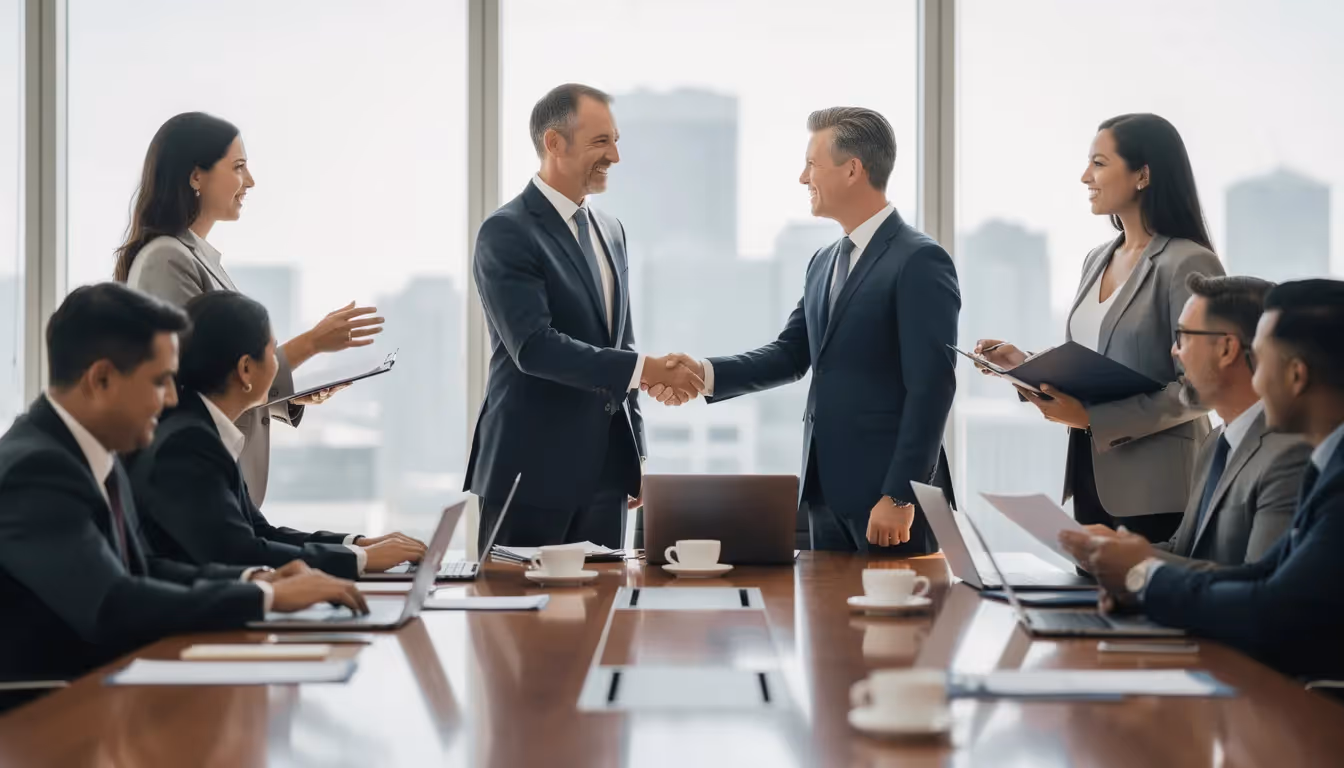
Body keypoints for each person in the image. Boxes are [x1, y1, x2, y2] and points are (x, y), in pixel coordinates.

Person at [0, 284, 367, 708]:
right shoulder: (37, 469)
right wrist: (264, 598)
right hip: (46, 713)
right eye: (160, 382)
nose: (174, 398)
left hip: (103, 690)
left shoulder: (94, 451)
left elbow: (143, 568)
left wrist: (255, 580)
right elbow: (112, 603)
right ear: (101, 379)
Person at [650, 107, 960, 555]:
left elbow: (932, 388)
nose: (802, 178)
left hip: (891, 503)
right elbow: (791, 354)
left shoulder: (919, 260)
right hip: (824, 494)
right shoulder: (824, 261)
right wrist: (702, 373)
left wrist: (899, 495)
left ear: (852, 169)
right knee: (827, 603)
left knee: (899, 605)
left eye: (811, 164)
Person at [1061, 279, 1344, 683]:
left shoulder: (1319, 468)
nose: (1255, 381)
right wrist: (1130, 570)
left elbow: (1272, 609)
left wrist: (1142, 575)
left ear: (1297, 376)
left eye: (1261, 361)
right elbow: (1263, 575)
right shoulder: (1322, 463)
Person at [466, 84, 700, 551]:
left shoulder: (611, 231)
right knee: (518, 601)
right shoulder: (506, 231)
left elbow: (622, 344)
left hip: (607, 476)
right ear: (554, 143)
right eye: (600, 142)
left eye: (615, 140)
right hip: (528, 475)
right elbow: (534, 346)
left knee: (606, 599)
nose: (615, 155)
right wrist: (649, 370)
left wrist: (637, 454)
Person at [115, 112, 385, 506]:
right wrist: (311, 343)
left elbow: (226, 380)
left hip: (217, 488)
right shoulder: (166, 260)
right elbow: (197, 387)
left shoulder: (196, 258)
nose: (251, 181)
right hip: (195, 490)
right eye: (238, 166)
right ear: (196, 176)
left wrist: (290, 394)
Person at [976, 114, 1224, 543]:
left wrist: (1095, 418)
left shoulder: (1187, 262)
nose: (1085, 176)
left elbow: (1203, 388)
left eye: (1099, 163)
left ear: (1142, 175)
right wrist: (1021, 362)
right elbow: (1094, 360)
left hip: (1158, 489)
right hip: (1091, 478)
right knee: (1091, 585)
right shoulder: (1097, 259)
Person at [129, 291, 427, 579]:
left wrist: (358, 545)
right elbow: (240, 553)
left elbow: (261, 533)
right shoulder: (188, 442)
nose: (279, 366)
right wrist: (361, 559)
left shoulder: (201, 429)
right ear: (246, 369)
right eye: (273, 352)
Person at [1088, 274, 1309, 566]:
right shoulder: (1215, 443)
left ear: (1226, 349)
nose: (1174, 350)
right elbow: (1183, 549)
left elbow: (1257, 582)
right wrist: (1110, 549)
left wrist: (1137, 564)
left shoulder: (1289, 455)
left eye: (1183, 336)